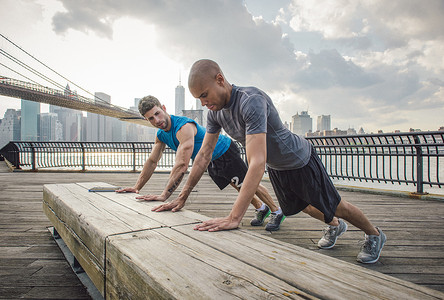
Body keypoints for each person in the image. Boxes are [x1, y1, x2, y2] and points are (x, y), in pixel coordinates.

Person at [161, 59, 386, 264]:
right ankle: (336, 226)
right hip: (279, 167)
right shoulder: (215, 113)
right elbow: (203, 155)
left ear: (220, 79)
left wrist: (234, 217)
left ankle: (374, 234)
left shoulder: (251, 101)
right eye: (198, 98)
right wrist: (182, 198)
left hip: (299, 159)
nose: (203, 103)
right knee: (303, 206)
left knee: (336, 206)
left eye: (204, 94)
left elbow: (257, 161)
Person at [116, 95, 285, 231]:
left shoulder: (183, 127)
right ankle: (261, 208)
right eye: (151, 118)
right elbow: (152, 161)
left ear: (164, 108)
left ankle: (276, 210)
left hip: (223, 150)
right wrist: (137, 187)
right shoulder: (161, 135)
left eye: (157, 113)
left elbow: (182, 165)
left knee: (248, 183)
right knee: (236, 183)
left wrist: (165, 195)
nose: (157, 120)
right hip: (209, 160)